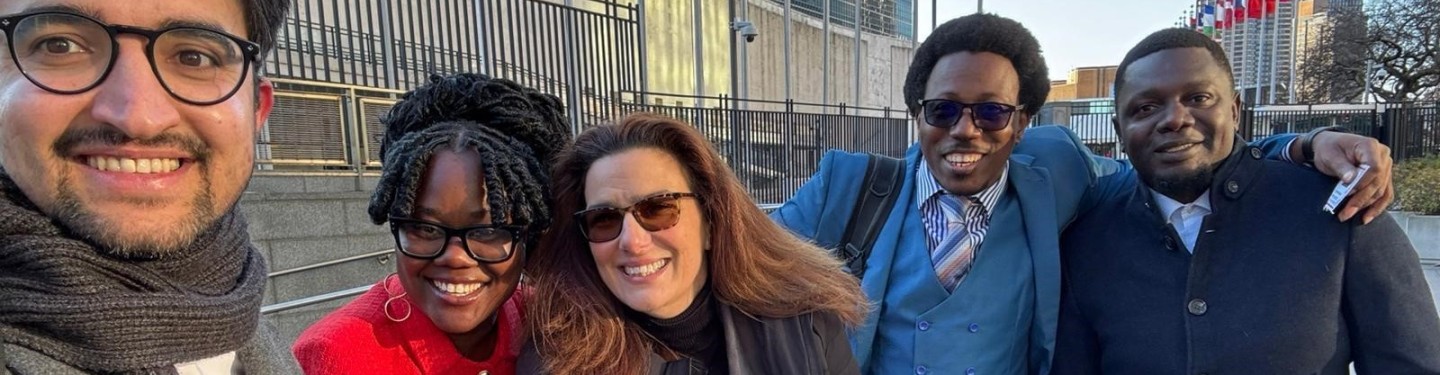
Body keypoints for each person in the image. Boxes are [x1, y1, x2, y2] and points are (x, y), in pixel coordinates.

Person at [769, 13, 1396, 375]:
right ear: (916, 114)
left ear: (1022, 122)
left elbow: (1174, 161)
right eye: (943, 110)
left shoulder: (1060, 175)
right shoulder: (851, 187)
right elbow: (741, 258)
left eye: (991, 112)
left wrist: (1297, 146)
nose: (965, 130)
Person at [1052, 28, 1440, 374]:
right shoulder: (1088, 236)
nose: (1175, 119)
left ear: (1234, 110)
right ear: (1120, 129)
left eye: (1198, 97)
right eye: (1146, 108)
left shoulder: (1340, 211)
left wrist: (1309, 141)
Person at [0, 0, 296, 373]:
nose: (139, 117)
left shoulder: (247, 325)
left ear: (257, 112)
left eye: (194, 57)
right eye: (60, 46)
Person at [520, 113, 868, 374]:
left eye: (657, 208)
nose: (632, 240)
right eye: (605, 219)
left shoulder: (807, 326)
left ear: (711, 220)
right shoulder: (559, 361)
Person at [290, 73, 570, 374]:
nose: (454, 256)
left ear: (529, 235)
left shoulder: (550, 324)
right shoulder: (336, 354)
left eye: (488, 230)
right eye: (425, 228)